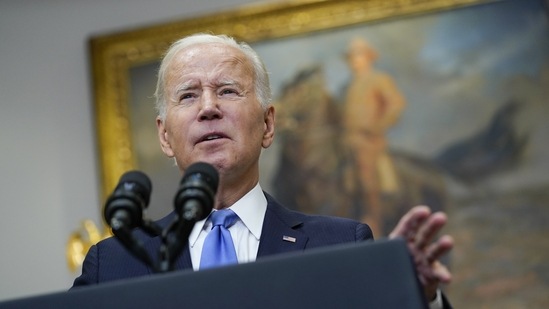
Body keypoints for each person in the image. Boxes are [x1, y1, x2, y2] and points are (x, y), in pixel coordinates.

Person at [72, 33, 453, 308]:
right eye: (188, 95)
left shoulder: (340, 245)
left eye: (227, 91)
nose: (208, 107)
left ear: (268, 125)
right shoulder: (113, 263)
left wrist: (414, 297)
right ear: (165, 136)